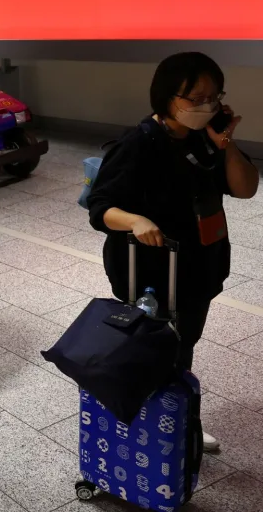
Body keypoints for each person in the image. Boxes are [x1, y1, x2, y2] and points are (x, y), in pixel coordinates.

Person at [87, 52, 259, 452]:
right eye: (196, 98)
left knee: (184, 346)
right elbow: (100, 207)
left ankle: (177, 421)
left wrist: (226, 141)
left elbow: (246, 187)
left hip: (199, 265)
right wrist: (133, 220)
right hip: (150, 271)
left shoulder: (207, 138)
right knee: (154, 349)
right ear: (167, 97)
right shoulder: (138, 144)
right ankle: (147, 423)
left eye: (214, 98)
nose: (206, 106)